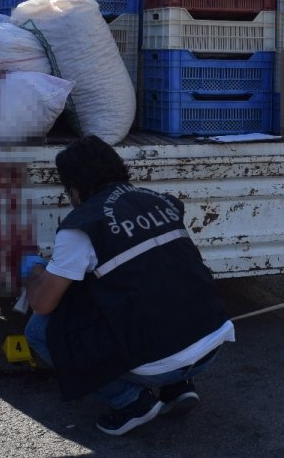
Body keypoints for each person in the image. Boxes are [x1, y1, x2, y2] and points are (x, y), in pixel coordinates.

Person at [22, 135, 235, 436]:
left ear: (74, 187)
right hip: (211, 343)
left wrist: (32, 271)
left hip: (160, 362)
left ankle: (131, 401)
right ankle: (177, 387)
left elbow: (42, 303)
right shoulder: (161, 201)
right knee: (151, 287)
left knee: (39, 330)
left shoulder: (82, 226)